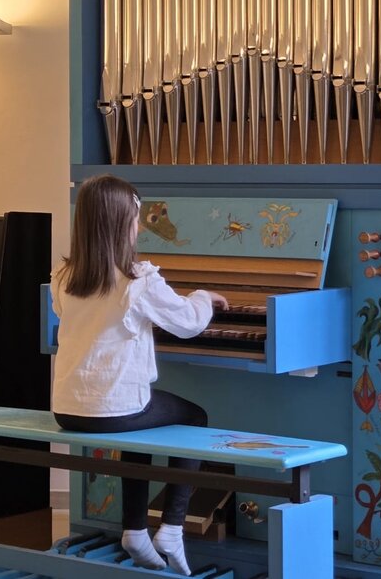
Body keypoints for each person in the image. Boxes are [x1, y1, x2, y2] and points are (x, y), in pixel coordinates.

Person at [51, 174, 228, 575]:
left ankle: (134, 529)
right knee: (195, 417)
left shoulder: (64, 276)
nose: (138, 227)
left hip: (68, 407)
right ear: (121, 225)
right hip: (114, 410)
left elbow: (74, 317)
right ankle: (172, 527)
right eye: (135, 219)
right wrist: (202, 297)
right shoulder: (138, 280)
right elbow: (189, 324)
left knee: (138, 421)